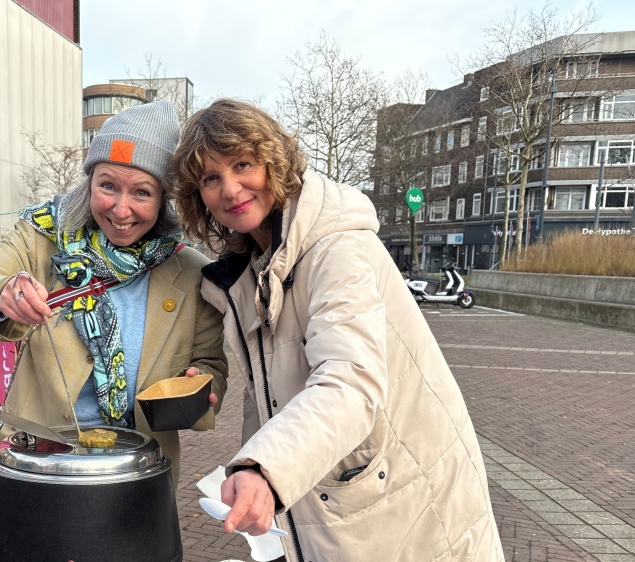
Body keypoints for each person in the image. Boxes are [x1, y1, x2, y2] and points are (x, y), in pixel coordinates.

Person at [170, 99, 504, 561]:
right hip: (334, 494)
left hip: (403, 506)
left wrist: (266, 469)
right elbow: (266, 392)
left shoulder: (336, 246)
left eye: (242, 164)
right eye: (211, 178)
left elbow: (350, 379)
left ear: (273, 160)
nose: (230, 188)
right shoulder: (251, 270)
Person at [0, 101, 227, 484]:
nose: (121, 210)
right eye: (108, 186)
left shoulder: (190, 272)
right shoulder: (42, 239)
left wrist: (200, 386)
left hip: (136, 474)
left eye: (142, 193)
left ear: (164, 200)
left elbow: (211, 366)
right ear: (89, 182)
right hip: (40, 465)